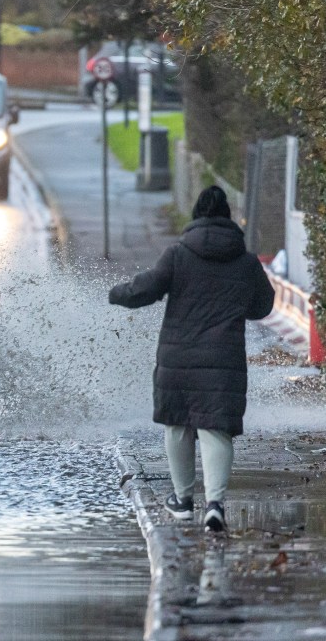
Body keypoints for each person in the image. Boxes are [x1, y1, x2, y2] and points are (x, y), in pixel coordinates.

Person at [109, 186, 275, 533]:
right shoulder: (245, 262)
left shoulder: (178, 254)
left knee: (178, 425)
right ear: (229, 217)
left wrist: (116, 293)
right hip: (223, 359)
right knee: (215, 429)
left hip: (178, 357)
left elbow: (146, 290)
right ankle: (215, 505)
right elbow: (263, 306)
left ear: (196, 217)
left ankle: (183, 501)